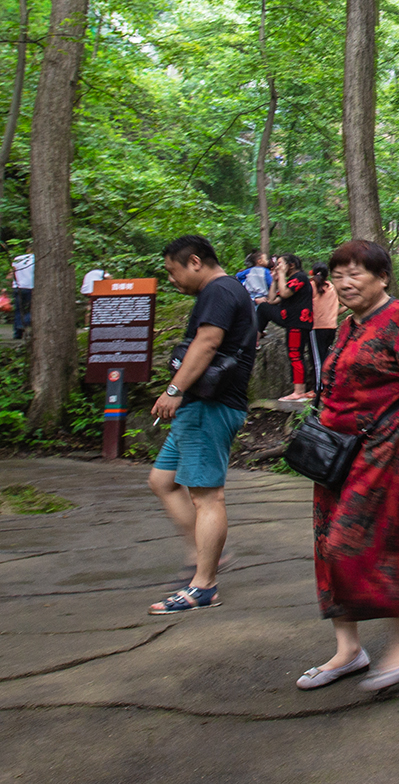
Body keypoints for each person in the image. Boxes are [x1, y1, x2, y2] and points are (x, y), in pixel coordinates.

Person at [298, 239, 399, 692]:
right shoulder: (347, 327)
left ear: (382, 277)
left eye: (355, 273)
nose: (344, 283)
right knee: (328, 544)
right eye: (337, 274)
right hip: (335, 453)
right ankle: (348, 649)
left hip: (384, 450)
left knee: (358, 542)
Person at [147, 235, 259, 615]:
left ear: (194, 261)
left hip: (210, 405)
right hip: (200, 406)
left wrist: (174, 389)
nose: (172, 279)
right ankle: (204, 554)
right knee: (162, 481)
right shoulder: (225, 291)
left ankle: (204, 585)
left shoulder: (219, 290)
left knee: (207, 497)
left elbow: (207, 342)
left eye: (172, 271)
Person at [271, 254, 314, 403]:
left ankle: (299, 391)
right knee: (294, 354)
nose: (277, 266)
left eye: (280, 263)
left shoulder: (300, 277)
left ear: (291, 265)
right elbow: (272, 299)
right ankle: (299, 390)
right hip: (292, 322)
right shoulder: (290, 280)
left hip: (298, 322)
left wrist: (282, 275)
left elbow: (284, 293)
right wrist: (275, 279)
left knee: (296, 354)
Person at [310, 263, 340, 393]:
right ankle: (329, 384)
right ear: (327, 275)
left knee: (317, 359)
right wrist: (333, 313)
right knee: (327, 356)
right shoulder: (332, 287)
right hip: (331, 326)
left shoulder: (312, 286)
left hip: (317, 326)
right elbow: (343, 304)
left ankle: (319, 388)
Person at [9, 248, 35, 341]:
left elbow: (11, 273)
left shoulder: (18, 259)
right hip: (30, 287)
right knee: (30, 308)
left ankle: (17, 332)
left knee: (18, 309)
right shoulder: (37, 260)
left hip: (18, 286)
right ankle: (25, 323)